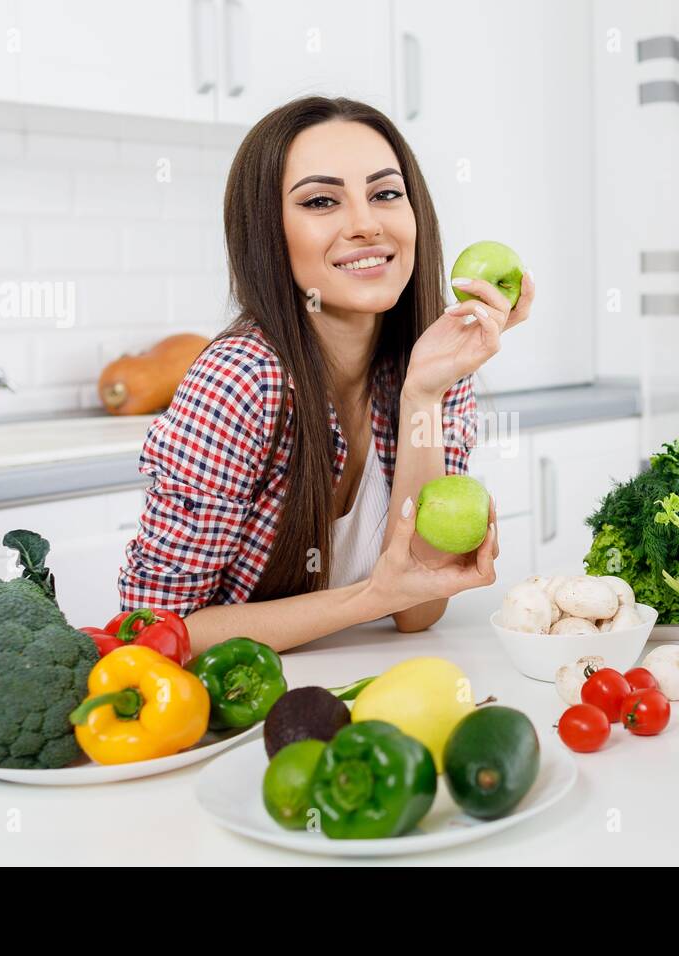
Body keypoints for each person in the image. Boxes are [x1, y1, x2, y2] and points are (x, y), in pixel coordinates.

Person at [118, 96, 535, 655]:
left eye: (386, 194)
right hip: (246, 713)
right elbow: (149, 637)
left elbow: (417, 607)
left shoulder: (432, 362)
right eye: (321, 201)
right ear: (267, 231)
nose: (366, 224)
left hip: (360, 695)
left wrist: (423, 395)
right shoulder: (240, 382)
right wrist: (369, 599)